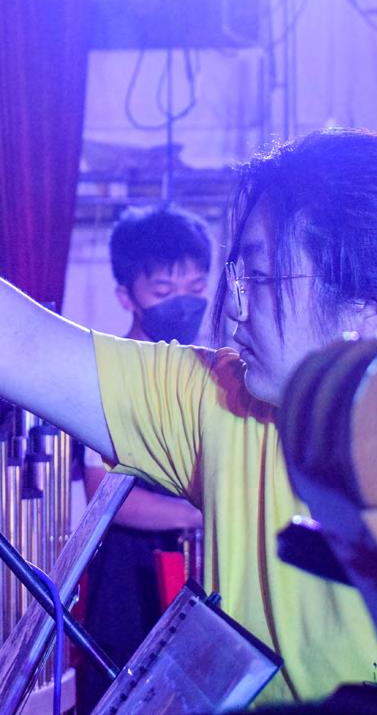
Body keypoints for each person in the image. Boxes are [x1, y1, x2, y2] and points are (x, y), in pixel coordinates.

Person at [0, 129, 377, 707]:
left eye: (261, 279)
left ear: (372, 309)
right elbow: (20, 343)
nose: (234, 311)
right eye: (239, 278)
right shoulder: (224, 404)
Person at [78, 203, 207, 713]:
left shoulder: (205, 368)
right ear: (126, 296)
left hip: (194, 569)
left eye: (196, 287)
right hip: (126, 577)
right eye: (164, 290)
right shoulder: (105, 374)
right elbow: (103, 494)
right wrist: (198, 513)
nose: (184, 303)